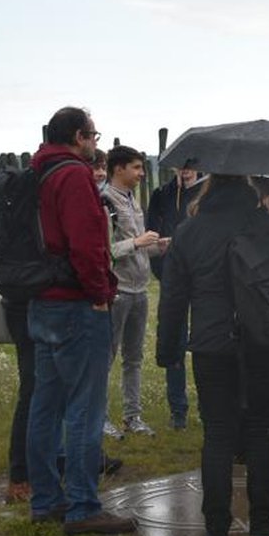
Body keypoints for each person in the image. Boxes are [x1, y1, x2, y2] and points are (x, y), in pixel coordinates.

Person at [156, 174, 269, 536]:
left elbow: (173, 297)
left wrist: (169, 349)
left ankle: (216, 527)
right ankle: (263, 522)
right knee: (261, 430)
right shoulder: (267, 226)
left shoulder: (190, 231)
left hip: (211, 341)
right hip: (262, 339)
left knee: (217, 433)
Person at [26, 107, 135, 535]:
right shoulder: (73, 176)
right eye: (93, 135)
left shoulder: (38, 170)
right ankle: (84, 506)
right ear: (78, 136)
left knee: (45, 407)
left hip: (42, 301)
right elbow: (88, 245)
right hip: (76, 303)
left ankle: (46, 500)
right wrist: (101, 295)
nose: (97, 143)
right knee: (84, 410)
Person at [102, 146, 165, 438]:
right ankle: (100, 418)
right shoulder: (104, 201)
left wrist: (158, 246)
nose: (142, 173)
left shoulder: (133, 201)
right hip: (117, 291)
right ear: (119, 169)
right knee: (107, 357)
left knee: (134, 357)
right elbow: (104, 252)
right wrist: (137, 243)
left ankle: (132, 416)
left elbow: (140, 248)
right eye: (137, 168)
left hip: (140, 290)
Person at [147, 159, 203, 430]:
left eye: (191, 164)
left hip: (203, 277)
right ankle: (177, 410)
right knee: (174, 342)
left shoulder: (207, 192)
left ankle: (208, 408)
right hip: (173, 277)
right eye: (182, 164)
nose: (186, 169)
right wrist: (163, 261)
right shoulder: (162, 196)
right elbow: (151, 235)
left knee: (205, 343)